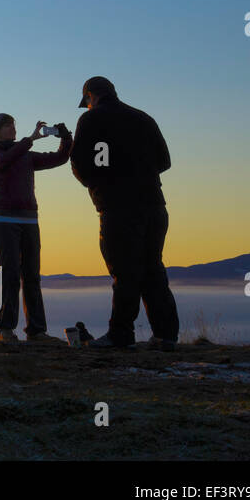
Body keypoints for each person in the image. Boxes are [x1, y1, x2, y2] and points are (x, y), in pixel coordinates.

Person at [70, 76, 179, 351]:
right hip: (154, 205)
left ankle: (121, 334)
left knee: (124, 272)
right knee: (153, 268)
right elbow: (164, 161)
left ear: (91, 97)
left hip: (117, 207)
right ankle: (165, 335)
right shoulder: (143, 118)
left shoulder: (91, 120)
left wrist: (100, 183)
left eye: (87, 102)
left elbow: (80, 163)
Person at [0, 112, 73, 343]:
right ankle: (5, 330)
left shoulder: (25, 155)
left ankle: (37, 331)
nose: (12, 128)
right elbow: (4, 161)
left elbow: (59, 159)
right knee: (11, 275)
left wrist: (66, 138)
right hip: (4, 221)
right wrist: (29, 139)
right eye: (7, 126)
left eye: (13, 124)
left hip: (30, 220)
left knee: (32, 276)